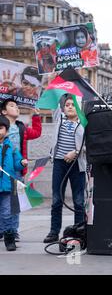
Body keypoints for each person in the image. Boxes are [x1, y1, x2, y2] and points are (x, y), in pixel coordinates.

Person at [43, 96, 87, 243]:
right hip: (59, 164)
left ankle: (78, 232)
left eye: (73, 105)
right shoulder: (60, 118)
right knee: (56, 200)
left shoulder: (84, 123)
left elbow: (88, 145)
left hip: (76, 165)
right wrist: (51, 81)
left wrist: (75, 152)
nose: (69, 107)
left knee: (79, 201)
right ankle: (54, 231)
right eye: (67, 105)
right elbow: (53, 99)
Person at [0, 99, 42, 242]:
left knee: (14, 203)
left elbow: (36, 132)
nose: (16, 108)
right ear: (4, 111)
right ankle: (2, 229)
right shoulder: (1, 127)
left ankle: (13, 230)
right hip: (2, 169)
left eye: (17, 106)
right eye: (12, 106)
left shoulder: (21, 127)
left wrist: (35, 116)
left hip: (17, 169)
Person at [0, 115, 28, 251]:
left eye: (1, 128)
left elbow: (17, 164)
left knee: (7, 212)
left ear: (6, 130)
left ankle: (9, 238)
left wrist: (22, 163)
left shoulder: (11, 147)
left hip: (6, 186)